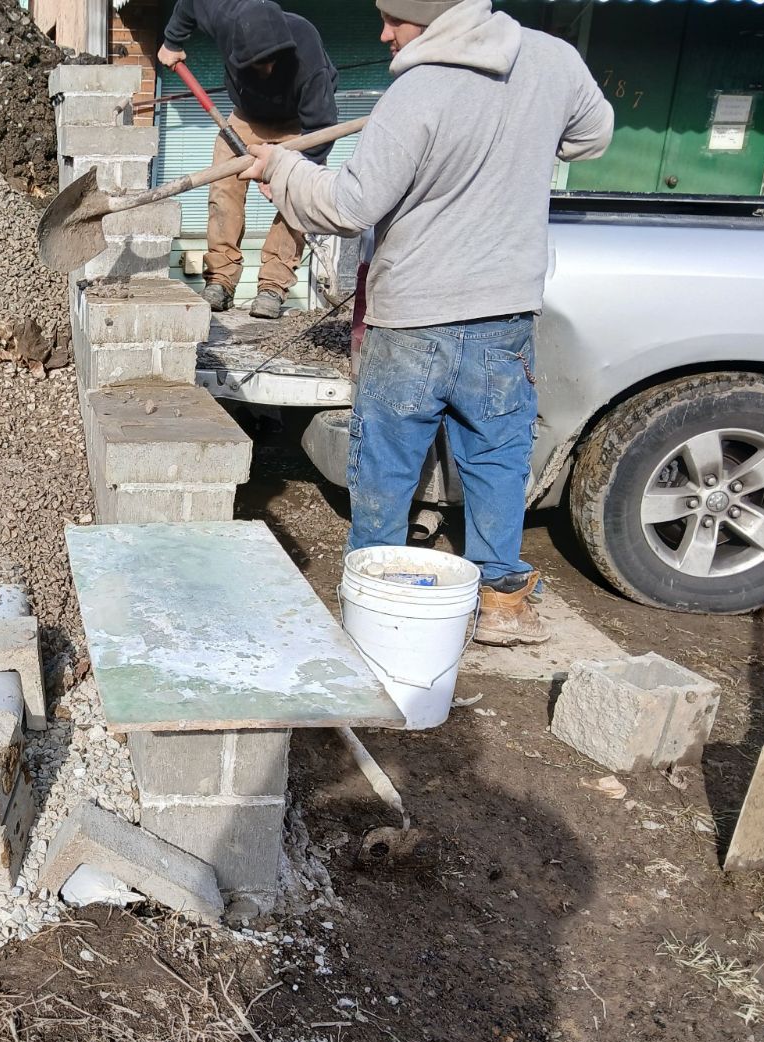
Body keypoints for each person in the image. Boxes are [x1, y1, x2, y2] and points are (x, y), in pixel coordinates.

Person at [240, 0, 613, 644]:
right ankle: (500, 600)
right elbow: (592, 137)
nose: (383, 33)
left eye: (395, 20)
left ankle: (377, 605)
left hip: (415, 317)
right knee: (498, 457)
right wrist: (522, 132)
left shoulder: (417, 93)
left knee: (386, 464)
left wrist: (284, 168)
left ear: (438, 17)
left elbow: (351, 203)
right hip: (503, 315)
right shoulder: (553, 60)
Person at [157, 0, 337, 319]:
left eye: (271, 62)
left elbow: (322, 129)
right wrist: (172, 42)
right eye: (256, 64)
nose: (266, 70)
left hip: (299, 124)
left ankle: (272, 286)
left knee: (295, 198)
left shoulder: (308, 54)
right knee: (223, 188)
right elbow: (190, 3)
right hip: (246, 118)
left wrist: (287, 173)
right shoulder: (225, 17)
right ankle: (221, 281)